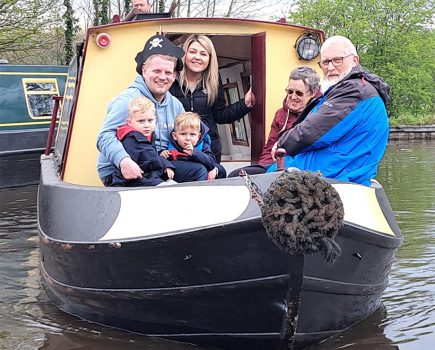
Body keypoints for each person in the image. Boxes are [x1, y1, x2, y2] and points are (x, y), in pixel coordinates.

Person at [267, 36, 390, 186]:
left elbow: (315, 131)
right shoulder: (356, 89)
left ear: (355, 60)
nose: (330, 68)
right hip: (345, 171)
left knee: (265, 174)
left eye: (337, 60)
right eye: (325, 62)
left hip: (334, 174)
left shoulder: (353, 91)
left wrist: (282, 144)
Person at [97, 34, 208, 186]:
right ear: (144, 70)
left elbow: (189, 135)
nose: (163, 77)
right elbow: (104, 136)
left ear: (174, 75)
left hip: (159, 164)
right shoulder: (128, 101)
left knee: (200, 170)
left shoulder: (176, 105)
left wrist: (211, 164)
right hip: (125, 170)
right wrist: (123, 160)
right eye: (157, 71)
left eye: (168, 73)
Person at [170, 34, 255, 163]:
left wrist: (246, 103)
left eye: (203, 54)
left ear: (210, 59)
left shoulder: (213, 81)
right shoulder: (170, 80)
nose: (197, 57)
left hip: (209, 149)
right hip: (176, 148)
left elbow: (220, 115)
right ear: (185, 54)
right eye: (193, 52)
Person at [228, 66, 320, 177]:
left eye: (299, 93)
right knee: (236, 175)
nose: (293, 97)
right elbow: (270, 147)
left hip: (303, 167)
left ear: (313, 93)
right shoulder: (280, 114)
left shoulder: (319, 115)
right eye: (290, 91)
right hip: (275, 165)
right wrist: (264, 175)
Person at [111, 97, 175, 187]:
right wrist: (116, 187)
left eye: (150, 121)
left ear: (155, 119)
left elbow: (154, 154)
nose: (146, 125)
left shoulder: (149, 135)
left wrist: (166, 165)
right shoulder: (131, 141)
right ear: (129, 122)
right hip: (139, 181)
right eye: (141, 121)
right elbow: (123, 168)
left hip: (152, 176)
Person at [161, 112, 225, 180]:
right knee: (201, 171)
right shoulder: (171, 148)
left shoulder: (203, 146)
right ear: (175, 136)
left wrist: (195, 153)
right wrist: (164, 156)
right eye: (183, 134)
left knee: (221, 170)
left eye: (192, 134)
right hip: (183, 174)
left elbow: (211, 162)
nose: (188, 138)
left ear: (198, 136)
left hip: (199, 171)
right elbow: (161, 160)